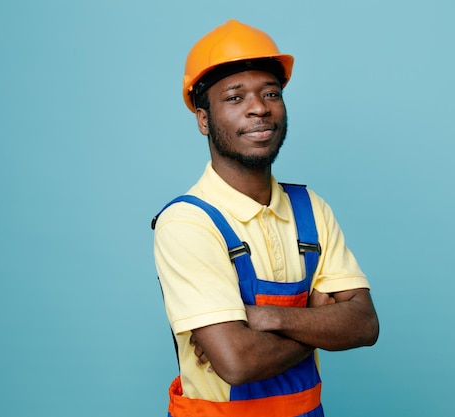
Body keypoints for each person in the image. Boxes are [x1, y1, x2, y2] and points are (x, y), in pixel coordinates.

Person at [152, 19, 379, 417]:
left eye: (270, 93)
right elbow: (238, 362)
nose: (259, 107)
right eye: (235, 98)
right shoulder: (188, 224)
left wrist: (265, 317)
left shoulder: (310, 209)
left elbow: (364, 325)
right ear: (203, 119)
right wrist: (320, 321)